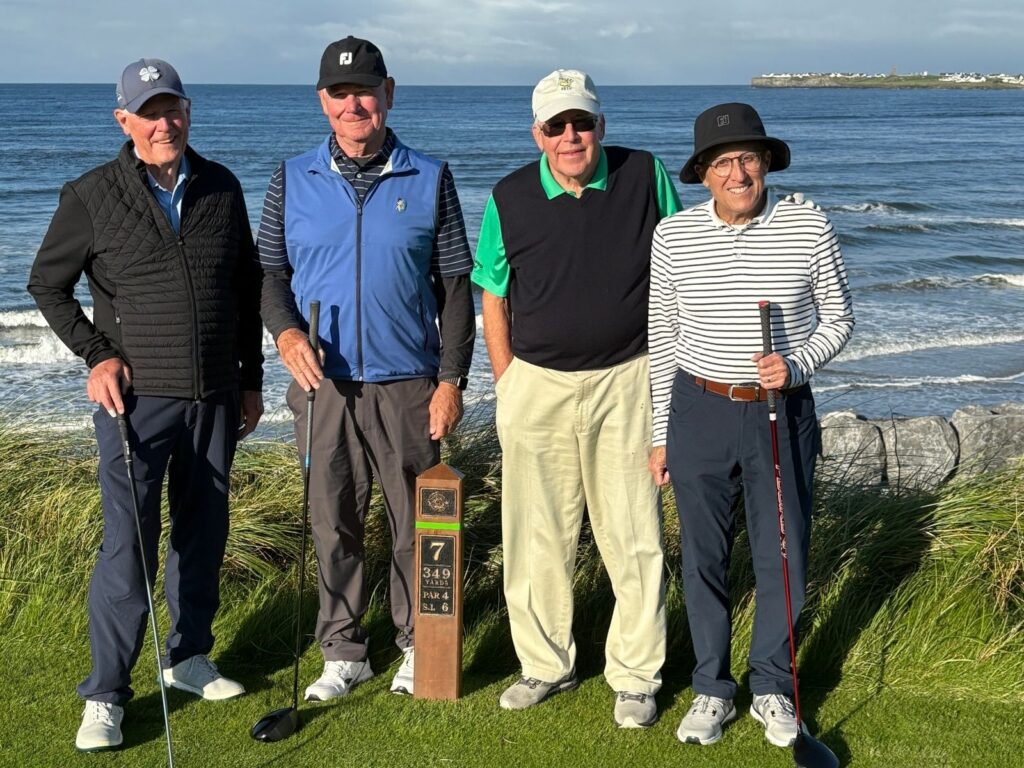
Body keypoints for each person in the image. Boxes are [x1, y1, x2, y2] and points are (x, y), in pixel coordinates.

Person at [27, 58, 264, 752]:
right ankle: (105, 692)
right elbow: (48, 285)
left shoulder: (221, 185)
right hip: (136, 402)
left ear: (189, 111)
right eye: (149, 112)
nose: (165, 123)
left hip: (215, 393)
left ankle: (188, 657)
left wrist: (250, 377)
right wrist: (97, 354)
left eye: (175, 108)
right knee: (128, 549)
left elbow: (245, 286)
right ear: (123, 120)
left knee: (203, 531)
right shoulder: (91, 194)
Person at [257, 36, 475, 701]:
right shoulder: (290, 178)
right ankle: (344, 650)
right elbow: (269, 275)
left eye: (367, 91)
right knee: (334, 520)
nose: (356, 104)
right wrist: (287, 330)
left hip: (408, 383)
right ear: (323, 101)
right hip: (324, 388)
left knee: (417, 524)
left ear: (389, 94)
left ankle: (418, 645)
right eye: (341, 93)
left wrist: (451, 379)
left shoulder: (429, 176)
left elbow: (457, 288)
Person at [473, 69, 680, 728]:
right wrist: (507, 381)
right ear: (537, 133)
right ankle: (545, 664)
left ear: (601, 126)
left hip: (628, 378)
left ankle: (637, 675)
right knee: (537, 535)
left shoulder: (646, 175)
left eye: (581, 122)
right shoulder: (508, 196)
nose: (570, 136)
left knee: (634, 533)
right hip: (536, 384)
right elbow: (493, 293)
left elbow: (681, 267)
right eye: (556, 125)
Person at [647, 102, 854, 748]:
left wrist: (796, 365)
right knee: (704, 557)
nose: (738, 172)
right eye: (723, 162)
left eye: (748, 158)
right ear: (704, 174)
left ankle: (771, 685)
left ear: (765, 164)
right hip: (698, 408)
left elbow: (840, 319)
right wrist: (660, 433)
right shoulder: (673, 237)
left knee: (782, 555)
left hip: (781, 412)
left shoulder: (808, 227)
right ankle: (712, 687)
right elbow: (664, 337)